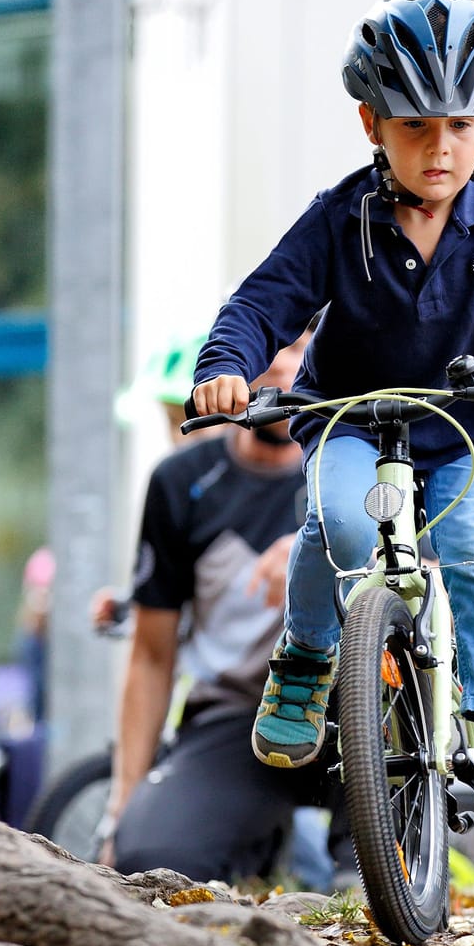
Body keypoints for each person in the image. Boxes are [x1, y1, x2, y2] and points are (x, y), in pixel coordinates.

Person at [189, 0, 474, 809]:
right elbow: (257, 306)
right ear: (371, 124)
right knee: (339, 524)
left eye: (461, 124)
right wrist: (227, 366)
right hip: (350, 415)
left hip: (468, 426)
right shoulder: (337, 220)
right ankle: (306, 663)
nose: (440, 147)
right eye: (414, 125)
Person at [106, 336, 322, 879]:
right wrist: (121, 805)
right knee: (148, 861)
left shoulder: (366, 463)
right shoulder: (181, 482)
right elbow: (151, 656)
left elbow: (429, 588)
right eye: (266, 344)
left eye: (297, 346)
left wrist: (314, 548)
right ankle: (250, 843)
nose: (279, 365)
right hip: (236, 718)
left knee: (368, 886)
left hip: (356, 716)